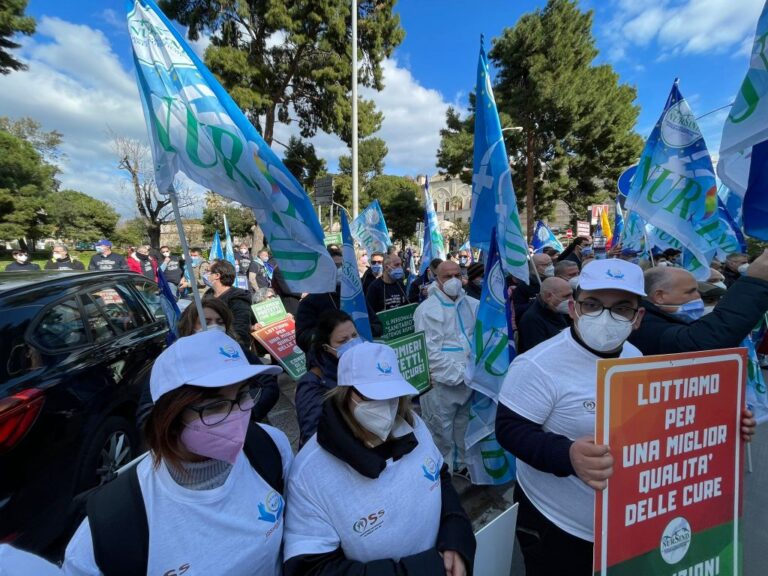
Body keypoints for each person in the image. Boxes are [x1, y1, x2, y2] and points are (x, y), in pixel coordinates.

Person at [495, 258, 756, 576]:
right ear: (574, 308)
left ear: (637, 317)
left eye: (620, 308)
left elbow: (660, 420)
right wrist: (566, 454)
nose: (605, 317)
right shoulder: (537, 365)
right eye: (592, 304)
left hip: (626, 527)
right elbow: (510, 429)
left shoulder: (636, 358)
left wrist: (722, 423)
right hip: (558, 525)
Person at [63, 330, 289, 576]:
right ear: (168, 418)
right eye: (215, 406)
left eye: (243, 394)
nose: (236, 415)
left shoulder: (270, 447)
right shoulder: (111, 529)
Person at [283, 342, 476, 575]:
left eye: (392, 394)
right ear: (346, 393)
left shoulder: (412, 425)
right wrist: (418, 571)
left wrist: (455, 534)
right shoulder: (310, 473)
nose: (386, 407)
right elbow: (312, 568)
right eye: (372, 396)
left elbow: (439, 476)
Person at [136, 298, 280, 428]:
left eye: (219, 322)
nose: (213, 326)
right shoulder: (172, 359)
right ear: (190, 325)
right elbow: (147, 412)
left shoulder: (233, 349)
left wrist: (250, 415)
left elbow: (269, 383)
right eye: (206, 322)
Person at [628, 253, 768, 355]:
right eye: (690, 292)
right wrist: (755, 282)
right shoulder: (643, 325)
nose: (698, 297)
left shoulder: (665, 318)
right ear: (659, 296)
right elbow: (700, 342)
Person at [414, 260, 478, 474]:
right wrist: (459, 374)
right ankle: (443, 474)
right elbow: (430, 351)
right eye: (447, 276)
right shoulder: (427, 310)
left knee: (463, 425)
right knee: (441, 429)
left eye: (456, 275)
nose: (453, 281)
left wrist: (472, 373)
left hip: (469, 380)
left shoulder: (471, 304)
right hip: (442, 384)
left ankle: (461, 466)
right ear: (436, 279)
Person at [295, 248, 382, 353]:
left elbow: (377, 326)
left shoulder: (355, 296)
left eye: (342, 266)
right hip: (329, 364)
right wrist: (333, 334)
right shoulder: (309, 303)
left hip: (362, 356)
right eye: (336, 266)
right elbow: (303, 339)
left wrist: (357, 332)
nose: (341, 270)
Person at [295, 310, 361, 446]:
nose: (353, 343)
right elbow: (314, 437)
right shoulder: (312, 383)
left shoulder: (363, 366)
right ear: (326, 347)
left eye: (354, 336)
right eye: (343, 341)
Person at [202, 259, 256, 348]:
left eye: (208, 271)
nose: (205, 274)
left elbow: (240, 332)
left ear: (217, 275)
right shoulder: (208, 294)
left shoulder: (238, 300)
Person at [517, 276, 572, 353]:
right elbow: (538, 353)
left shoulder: (558, 310)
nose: (571, 300)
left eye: (571, 295)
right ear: (548, 296)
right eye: (566, 296)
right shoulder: (531, 320)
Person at [512, 253, 554, 320]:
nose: (550, 267)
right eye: (545, 265)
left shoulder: (556, 279)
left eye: (551, 263)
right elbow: (517, 310)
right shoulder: (525, 285)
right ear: (535, 267)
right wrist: (537, 302)